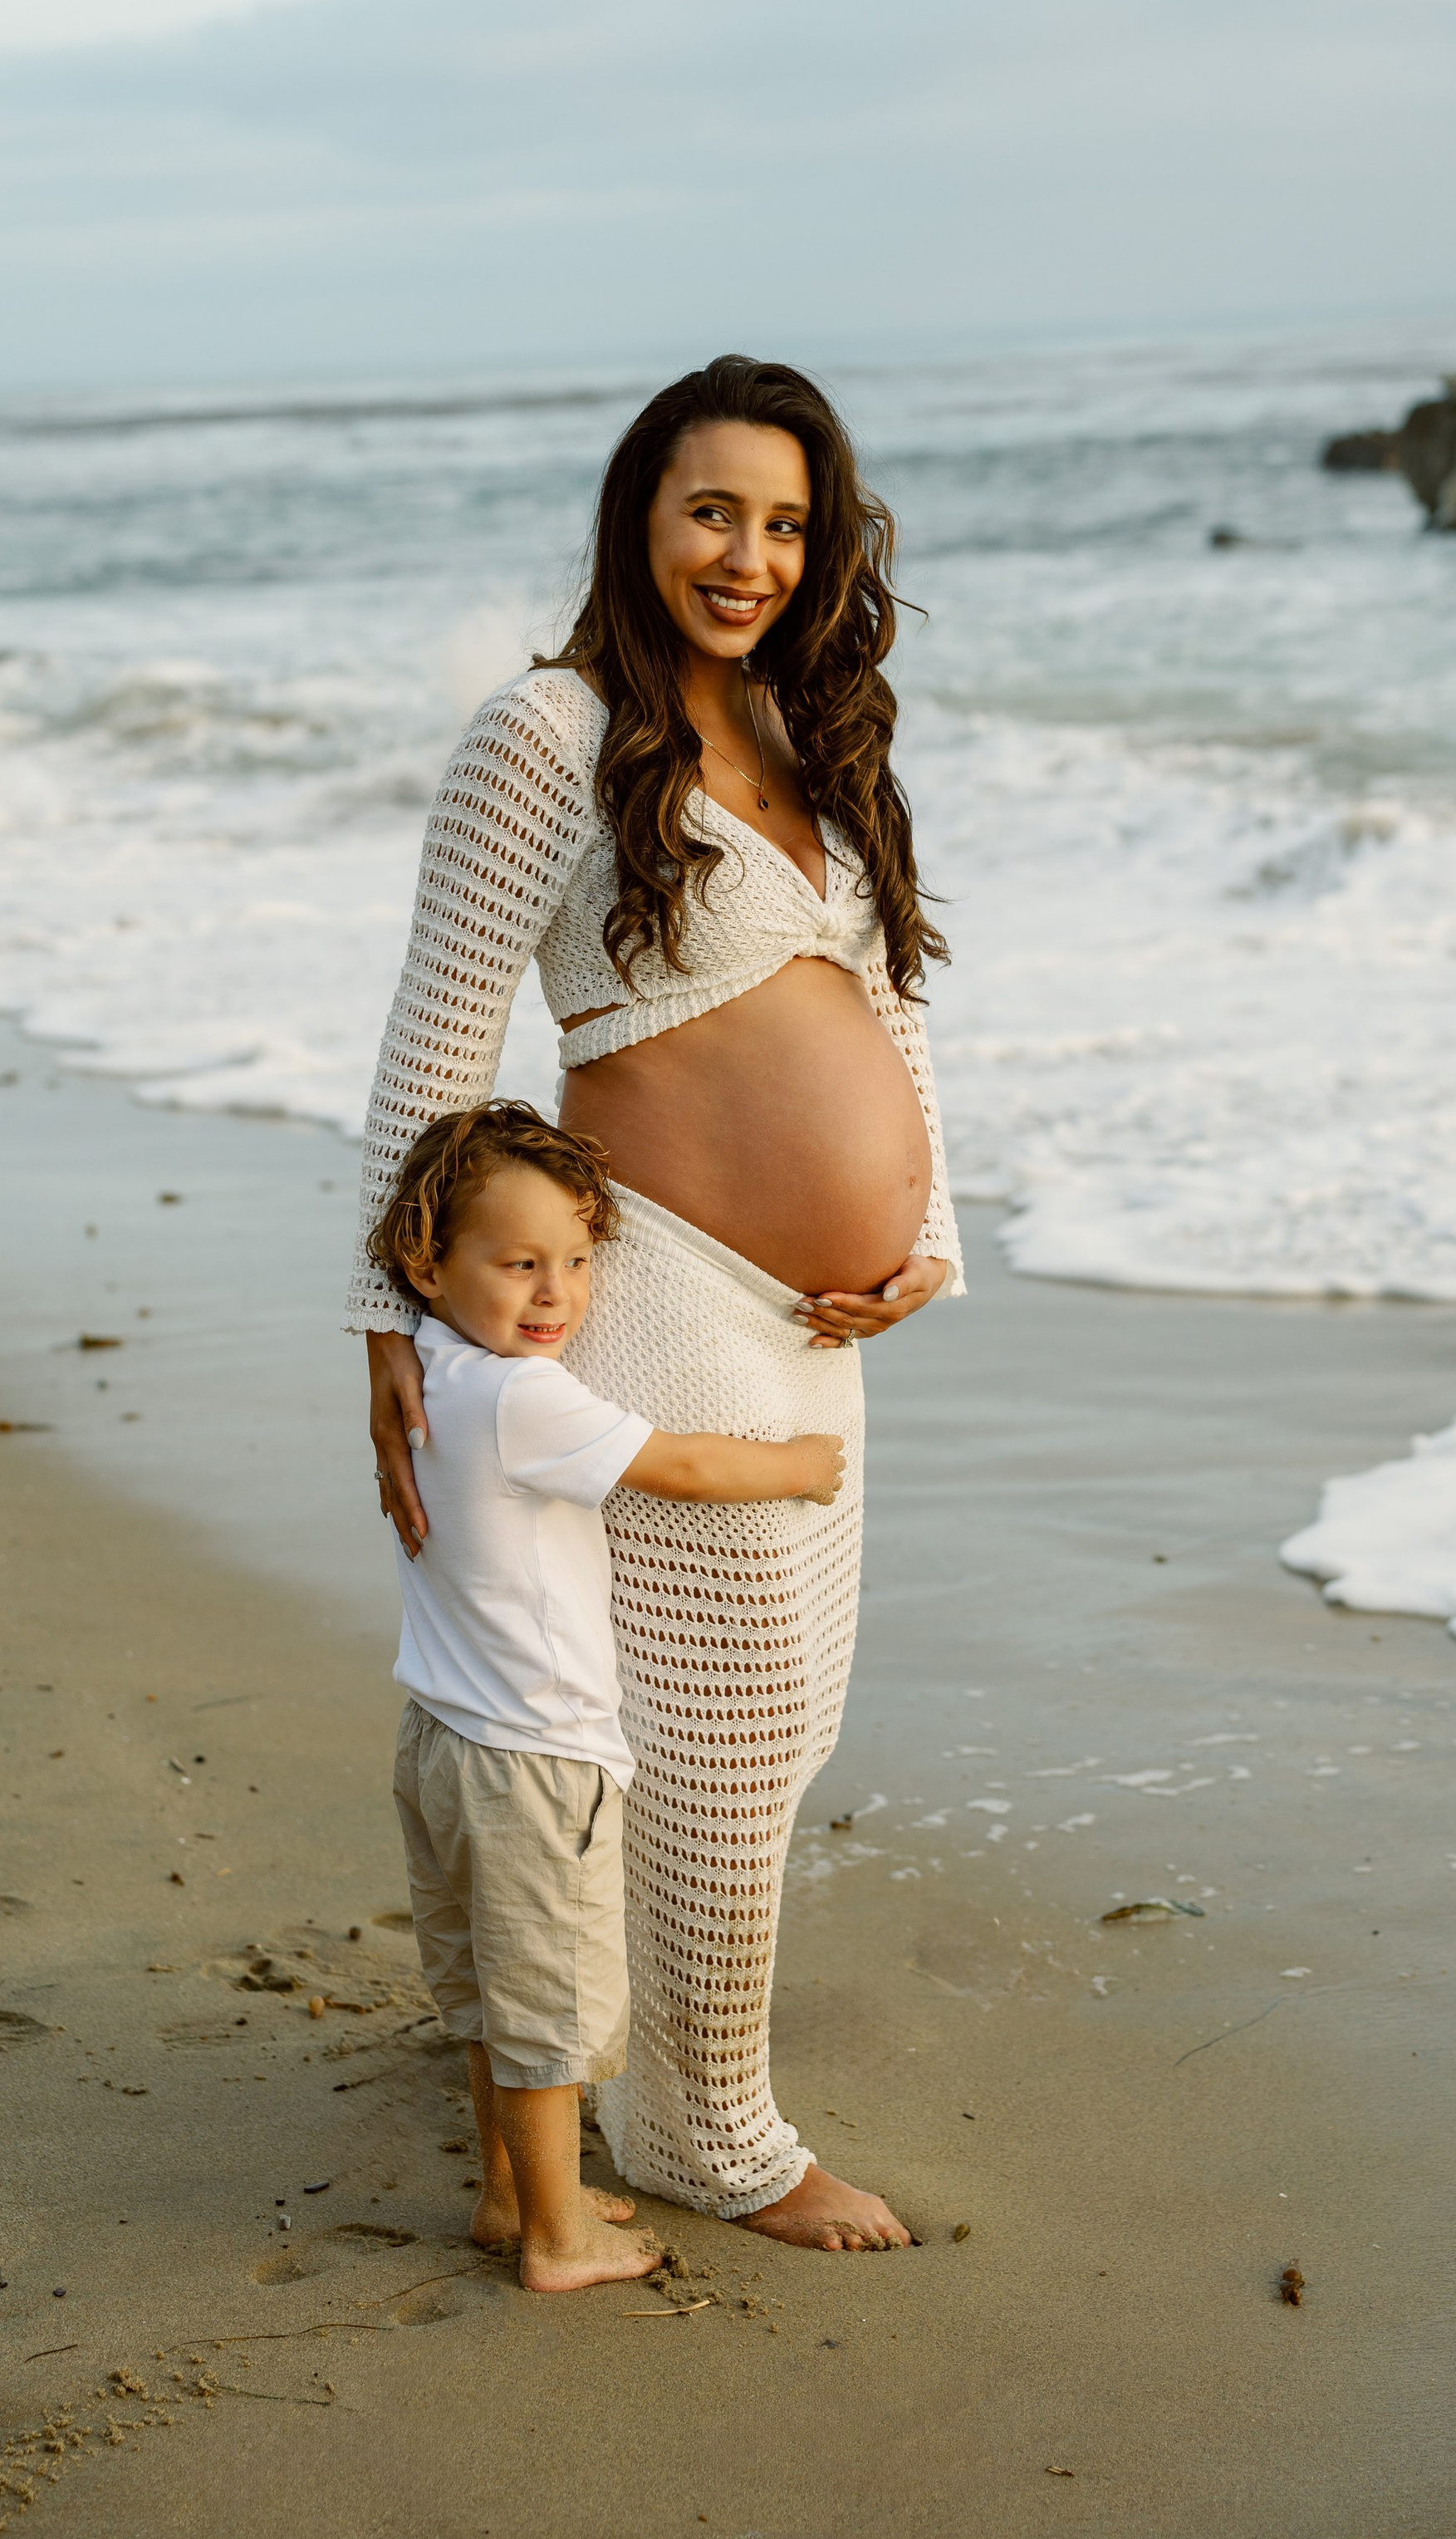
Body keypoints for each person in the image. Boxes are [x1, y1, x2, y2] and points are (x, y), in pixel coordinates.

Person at [352, 354, 962, 2252]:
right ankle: (704, 2128)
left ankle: (593, 2044)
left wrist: (930, 1231)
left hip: (822, 1317)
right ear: (638, 514)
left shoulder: (818, 734)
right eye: (713, 512)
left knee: (782, 1717)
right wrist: (384, 1326)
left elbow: (895, 1022)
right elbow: (437, 1046)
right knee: (733, 1709)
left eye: (786, 524)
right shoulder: (547, 733)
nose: (749, 556)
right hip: (663, 1275)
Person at [369, 1097, 846, 2291]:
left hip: (439, 1737)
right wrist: (797, 1466)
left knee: (487, 1994)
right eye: (520, 1263)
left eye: (578, 1261)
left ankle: (506, 2195)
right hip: (536, 1761)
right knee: (547, 2011)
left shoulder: (427, 1370)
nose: (557, 1296)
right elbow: (678, 1465)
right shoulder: (521, 1398)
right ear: (427, 1264)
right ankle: (556, 2240)